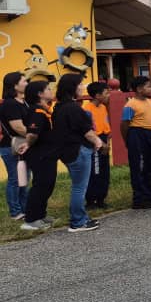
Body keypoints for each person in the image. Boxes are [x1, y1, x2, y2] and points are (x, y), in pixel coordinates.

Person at [52, 74, 104, 232]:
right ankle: (78, 221)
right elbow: (86, 131)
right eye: (80, 85)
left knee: (78, 185)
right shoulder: (73, 108)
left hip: (67, 151)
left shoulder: (59, 107)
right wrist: (98, 141)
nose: (82, 87)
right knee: (79, 187)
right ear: (72, 87)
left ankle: (81, 217)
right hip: (78, 150)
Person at [18, 81, 59, 232]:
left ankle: (41, 215)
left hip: (49, 154)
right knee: (40, 185)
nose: (51, 90)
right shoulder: (37, 112)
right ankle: (31, 219)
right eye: (48, 89)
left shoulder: (45, 110)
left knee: (48, 185)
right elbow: (32, 134)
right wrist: (28, 144)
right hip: (40, 155)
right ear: (40, 94)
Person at [121, 75, 151, 209]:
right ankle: (139, 198)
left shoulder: (149, 102)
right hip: (137, 134)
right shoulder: (130, 104)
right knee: (139, 167)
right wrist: (128, 140)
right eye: (148, 86)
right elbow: (124, 124)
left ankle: (150, 195)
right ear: (138, 89)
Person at [0, 71, 31, 222]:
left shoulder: (24, 102)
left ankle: (24, 208)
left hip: (24, 144)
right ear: (14, 85)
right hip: (11, 146)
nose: (26, 83)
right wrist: (36, 134)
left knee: (25, 178)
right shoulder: (10, 103)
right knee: (15, 179)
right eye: (24, 81)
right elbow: (17, 127)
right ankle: (15, 212)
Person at [82, 81, 112, 210]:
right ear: (97, 95)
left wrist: (107, 143)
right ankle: (91, 200)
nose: (108, 96)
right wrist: (100, 143)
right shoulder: (87, 109)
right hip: (95, 141)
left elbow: (106, 126)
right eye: (106, 93)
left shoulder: (103, 107)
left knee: (105, 171)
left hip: (104, 140)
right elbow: (89, 130)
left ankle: (101, 198)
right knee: (95, 171)